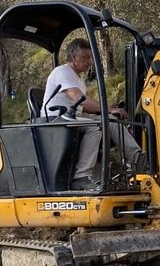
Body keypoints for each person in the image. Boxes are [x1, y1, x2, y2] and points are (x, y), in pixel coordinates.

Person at [43, 38, 142, 190]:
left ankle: (138, 159)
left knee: (110, 120)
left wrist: (110, 110)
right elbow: (79, 99)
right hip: (55, 120)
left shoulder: (77, 78)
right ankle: (81, 176)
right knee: (95, 126)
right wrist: (108, 109)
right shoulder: (62, 72)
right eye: (85, 58)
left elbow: (83, 107)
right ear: (73, 57)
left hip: (71, 118)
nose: (89, 62)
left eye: (89, 58)